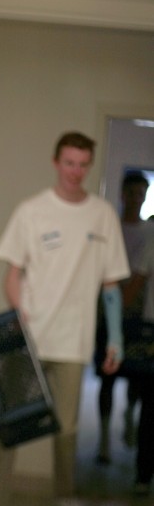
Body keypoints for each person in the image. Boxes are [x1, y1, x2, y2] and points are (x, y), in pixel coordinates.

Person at [0, 131, 129, 506]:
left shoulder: (102, 216)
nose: (75, 171)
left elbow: (111, 285)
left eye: (82, 164)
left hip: (74, 342)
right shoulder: (32, 212)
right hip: (30, 338)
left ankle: (66, 499)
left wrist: (115, 339)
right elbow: (12, 275)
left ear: (89, 166)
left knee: (68, 430)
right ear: (56, 162)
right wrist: (19, 314)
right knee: (11, 427)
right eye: (69, 163)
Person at [95, 169, 152, 463]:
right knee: (107, 376)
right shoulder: (110, 228)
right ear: (122, 194)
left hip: (138, 317)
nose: (135, 199)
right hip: (107, 313)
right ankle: (104, 440)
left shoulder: (149, 233)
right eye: (131, 193)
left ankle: (129, 416)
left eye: (141, 194)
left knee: (137, 378)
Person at [123, 225, 154, 494]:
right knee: (150, 409)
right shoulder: (152, 239)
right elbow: (136, 283)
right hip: (152, 335)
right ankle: (144, 475)